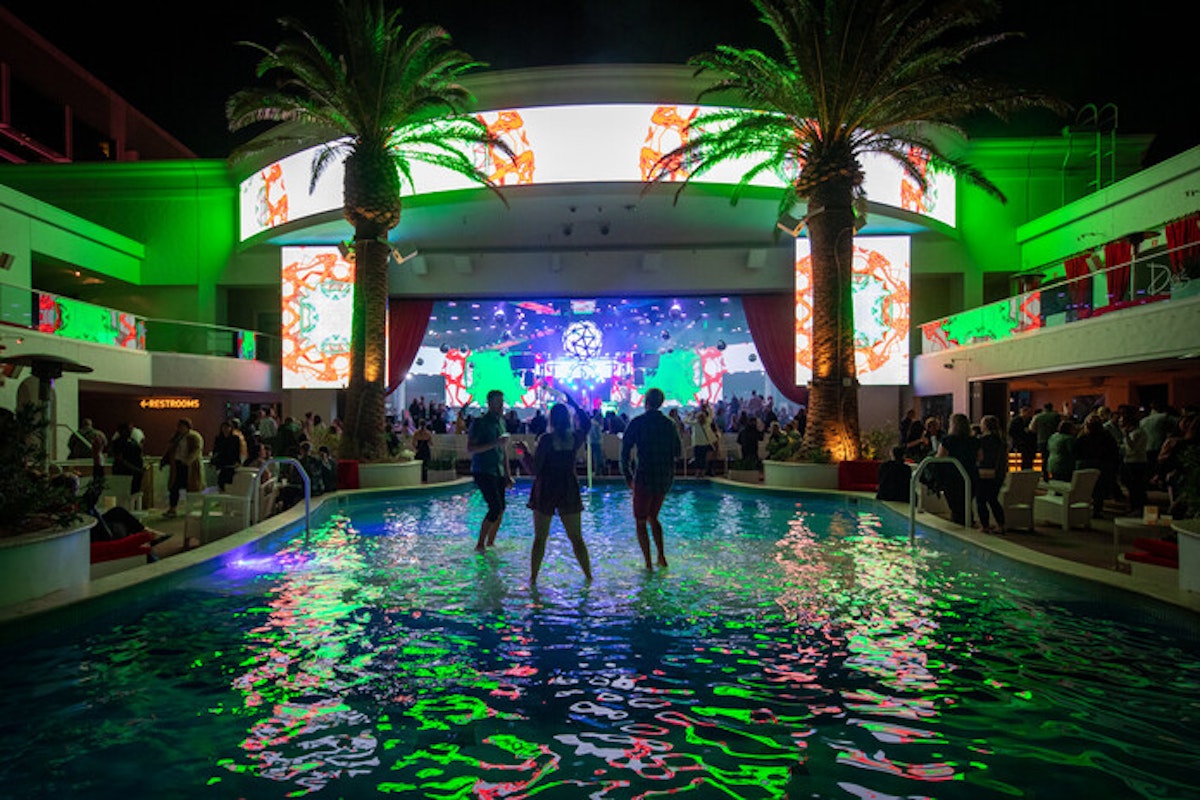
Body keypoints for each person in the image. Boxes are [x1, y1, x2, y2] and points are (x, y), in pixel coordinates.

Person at [516, 394, 593, 583]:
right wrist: (573, 402)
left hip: (546, 488)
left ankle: (533, 578)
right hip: (568, 488)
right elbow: (586, 423)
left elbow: (535, 470)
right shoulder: (574, 438)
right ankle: (588, 576)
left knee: (540, 539)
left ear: (550, 419)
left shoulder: (546, 440)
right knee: (577, 538)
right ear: (568, 419)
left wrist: (524, 452)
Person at [620, 387, 681, 570]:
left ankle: (648, 563)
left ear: (646, 401)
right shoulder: (669, 424)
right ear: (661, 403)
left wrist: (628, 475)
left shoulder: (638, 422)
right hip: (663, 477)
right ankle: (661, 555)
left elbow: (625, 451)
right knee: (653, 516)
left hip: (644, 476)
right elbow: (677, 452)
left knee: (641, 520)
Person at [468, 389, 512, 552]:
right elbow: (471, 448)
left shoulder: (501, 422)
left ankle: (490, 542)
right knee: (495, 507)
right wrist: (494, 443)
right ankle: (480, 543)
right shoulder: (480, 423)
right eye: (497, 403)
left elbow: (503, 450)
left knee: (501, 508)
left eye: (502, 403)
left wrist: (508, 474)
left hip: (497, 470)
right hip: (483, 469)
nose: (501, 406)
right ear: (489, 404)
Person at [936, 413, 979, 526]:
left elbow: (940, 457)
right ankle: (968, 521)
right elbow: (980, 457)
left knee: (955, 504)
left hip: (952, 476)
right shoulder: (974, 441)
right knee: (967, 500)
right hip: (970, 473)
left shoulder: (948, 440)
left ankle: (959, 523)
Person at [161, 417, 204, 518]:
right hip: (177, 466)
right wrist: (164, 461)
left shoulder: (194, 436)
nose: (179, 428)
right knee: (174, 488)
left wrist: (188, 460)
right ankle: (172, 509)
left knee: (190, 488)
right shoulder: (176, 437)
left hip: (189, 467)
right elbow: (170, 450)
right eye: (179, 426)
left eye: (182, 426)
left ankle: (190, 509)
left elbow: (197, 450)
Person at [975, 415, 1008, 532]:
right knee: (993, 499)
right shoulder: (1001, 440)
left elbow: (980, 457)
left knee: (981, 500)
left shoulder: (981, 440)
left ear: (985, 426)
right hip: (998, 474)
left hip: (984, 473)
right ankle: (1001, 524)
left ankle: (985, 525)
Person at [109, 422, 145, 494]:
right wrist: (136, 469)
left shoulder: (133, 441)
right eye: (128, 429)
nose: (131, 431)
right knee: (123, 493)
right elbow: (120, 459)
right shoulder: (118, 443)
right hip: (124, 473)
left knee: (134, 493)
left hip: (135, 474)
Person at [1029, 403, 1062, 479]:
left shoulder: (1038, 416)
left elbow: (1032, 428)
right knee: (1054, 457)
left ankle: (1045, 475)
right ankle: (1053, 474)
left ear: (1044, 408)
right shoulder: (1056, 416)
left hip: (1041, 440)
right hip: (1054, 440)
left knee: (1044, 458)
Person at [211, 420, 243, 491]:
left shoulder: (235, 439)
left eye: (227, 427)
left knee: (230, 480)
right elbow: (215, 450)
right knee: (221, 480)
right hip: (221, 461)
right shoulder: (219, 438)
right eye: (224, 427)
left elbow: (237, 451)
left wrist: (238, 461)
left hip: (231, 462)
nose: (225, 429)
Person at [1008, 406, 1036, 470]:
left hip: (1028, 443)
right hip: (1020, 442)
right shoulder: (1016, 421)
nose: (1029, 414)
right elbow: (1011, 432)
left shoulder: (1030, 420)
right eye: (1028, 413)